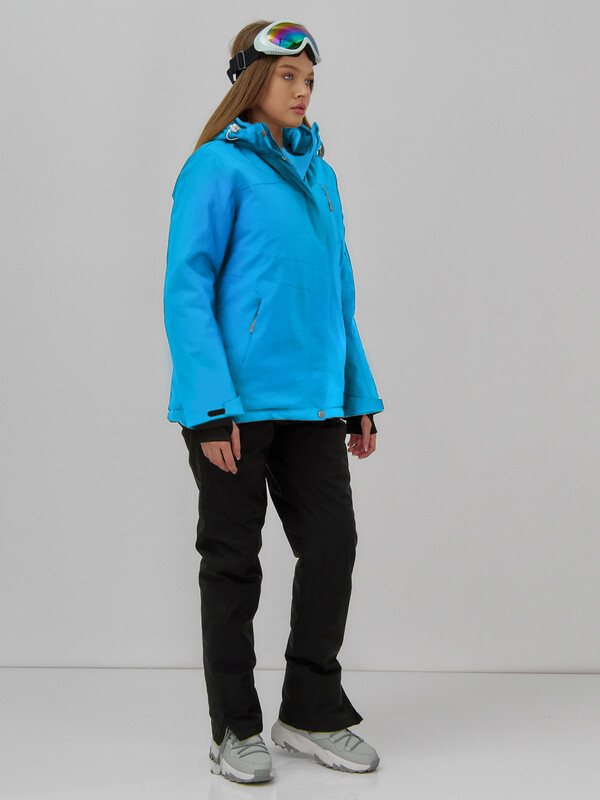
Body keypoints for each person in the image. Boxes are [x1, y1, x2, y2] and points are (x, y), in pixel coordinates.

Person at [163, 19, 384, 784]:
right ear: (252, 81)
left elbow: (338, 297)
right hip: (233, 409)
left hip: (312, 406)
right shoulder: (215, 167)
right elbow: (187, 288)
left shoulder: (321, 176)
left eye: (309, 79)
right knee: (233, 563)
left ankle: (311, 711)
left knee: (331, 547)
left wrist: (357, 394)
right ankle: (234, 728)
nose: (302, 91)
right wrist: (208, 407)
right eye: (288, 76)